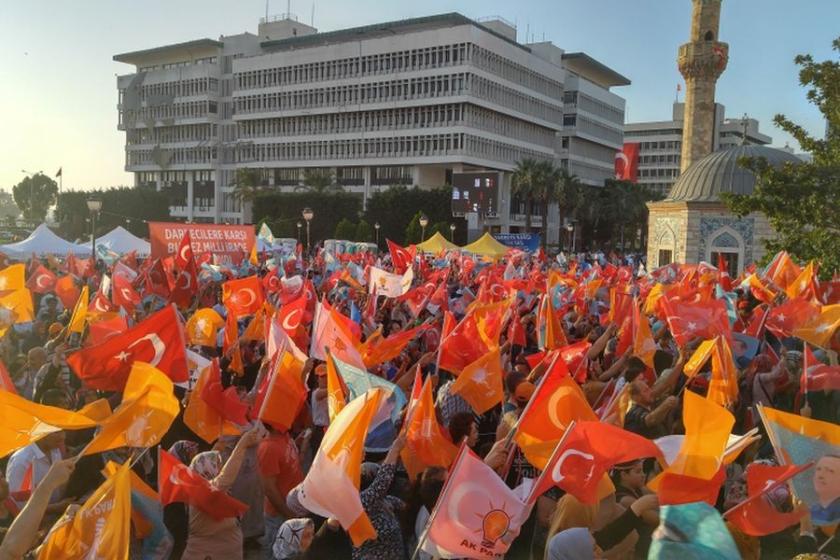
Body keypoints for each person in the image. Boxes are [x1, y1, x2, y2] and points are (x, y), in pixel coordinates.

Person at [181, 426, 264, 560]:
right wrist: (242, 445)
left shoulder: (209, 490)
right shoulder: (201, 493)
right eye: (217, 465)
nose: (220, 467)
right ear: (208, 469)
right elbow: (225, 479)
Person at [0, 458, 75, 560]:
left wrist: (62, 522)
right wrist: (48, 484)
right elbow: (10, 551)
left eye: (1, 477)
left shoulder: (12, 502)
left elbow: (29, 553)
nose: (5, 483)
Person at [353, 433, 407, 560]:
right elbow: (382, 482)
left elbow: (405, 506)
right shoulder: (362, 502)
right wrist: (395, 449)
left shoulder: (386, 500)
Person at [258, 424, 305, 559]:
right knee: (275, 554)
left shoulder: (284, 436)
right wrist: (288, 513)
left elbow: (287, 460)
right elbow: (269, 488)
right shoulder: (268, 448)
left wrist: (299, 443)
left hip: (291, 511)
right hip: (278, 516)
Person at [6, 431, 68, 512]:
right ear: (41, 432)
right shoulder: (21, 461)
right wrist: (56, 508)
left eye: (62, 430)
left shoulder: (55, 451)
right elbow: (21, 506)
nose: (63, 436)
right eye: (56, 432)